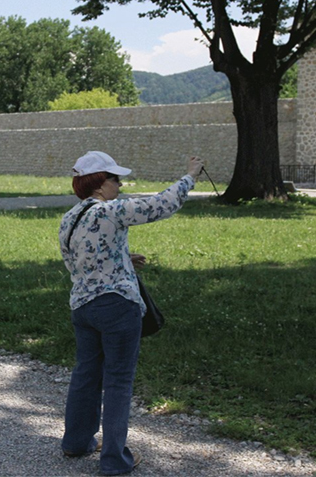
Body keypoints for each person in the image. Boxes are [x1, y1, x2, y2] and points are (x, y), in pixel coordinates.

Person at [59, 151, 204, 475]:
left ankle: (76, 442)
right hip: (116, 306)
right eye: (115, 178)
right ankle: (113, 460)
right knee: (118, 381)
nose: (120, 185)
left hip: (82, 307)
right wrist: (190, 176)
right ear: (99, 183)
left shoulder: (69, 219)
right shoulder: (110, 211)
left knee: (86, 374)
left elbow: (77, 262)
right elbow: (160, 205)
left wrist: (123, 258)